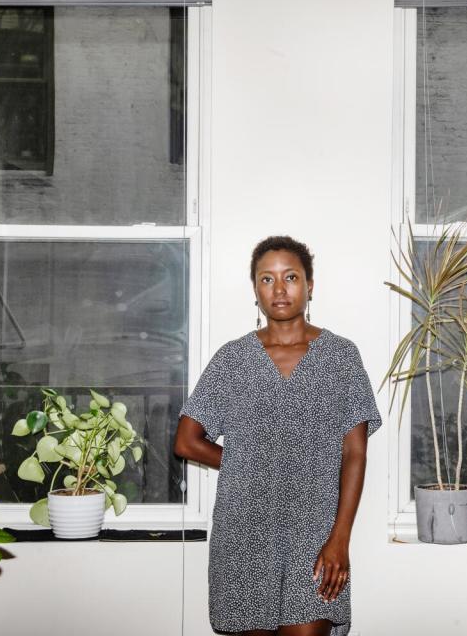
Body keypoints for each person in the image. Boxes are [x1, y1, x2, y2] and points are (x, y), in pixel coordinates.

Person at [173, 235, 382, 636]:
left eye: (291, 277)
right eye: (267, 280)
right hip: (244, 531)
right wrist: (249, 463)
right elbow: (186, 440)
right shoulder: (233, 359)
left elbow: (355, 453)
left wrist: (340, 539)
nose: (280, 289)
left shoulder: (341, 356)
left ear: (309, 286)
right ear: (255, 290)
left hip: (316, 530)